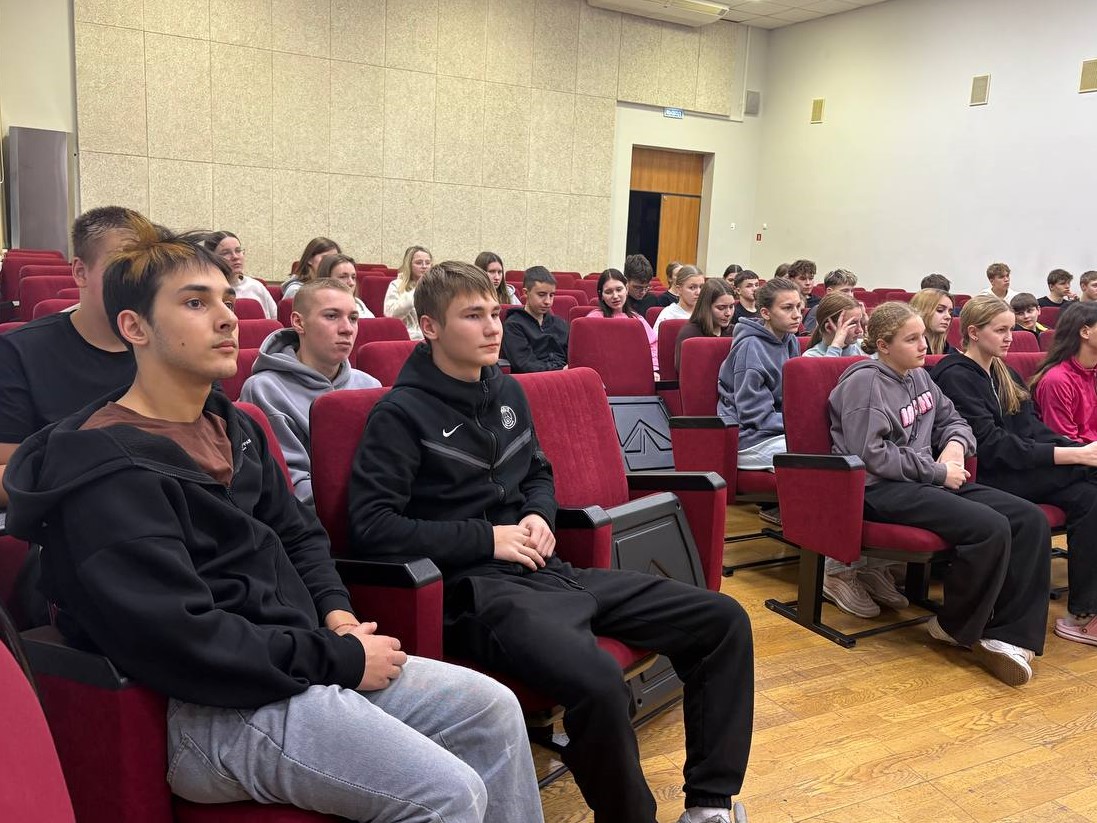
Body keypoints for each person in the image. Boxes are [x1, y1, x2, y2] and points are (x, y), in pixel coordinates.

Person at [2, 222, 543, 823]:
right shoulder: (108, 470)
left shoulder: (233, 426)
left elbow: (299, 535)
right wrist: (340, 659)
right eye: (195, 303)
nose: (226, 318)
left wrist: (337, 614)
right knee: (448, 792)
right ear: (135, 327)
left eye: (226, 300)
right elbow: (183, 640)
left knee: (492, 708)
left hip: (294, 664)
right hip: (214, 708)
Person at [347, 261, 754, 823]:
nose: (493, 327)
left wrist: (540, 513)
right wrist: (487, 539)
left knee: (723, 621)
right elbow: (372, 527)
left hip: (549, 571)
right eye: (473, 316)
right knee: (598, 681)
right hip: (477, 593)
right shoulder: (398, 414)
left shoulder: (507, 390)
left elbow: (537, 471)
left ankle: (708, 807)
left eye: (495, 313)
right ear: (431, 327)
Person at [828, 301, 1050, 685]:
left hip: (926, 478)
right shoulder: (864, 383)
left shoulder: (920, 376)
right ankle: (954, 624)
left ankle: (1010, 636)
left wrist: (955, 446)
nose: (923, 346)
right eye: (911, 339)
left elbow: (954, 420)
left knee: (1029, 519)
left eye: (922, 337)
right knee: (989, 526)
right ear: (883, 345)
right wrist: (936, 471)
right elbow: (870, 455)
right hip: (880, 488)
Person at [932, 295, 1097, 648]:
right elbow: (990, 446)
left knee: (1089, 496)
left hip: (1021, 469)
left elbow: (1033, 428)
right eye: (1001, 330)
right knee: (1087, 476)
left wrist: (1075, 450)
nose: (1010, 337)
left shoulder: (1003, 371)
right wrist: (1073, 455)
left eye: (1010, 329)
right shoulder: (955, 374)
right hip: (988, 475)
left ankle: (1085, 611)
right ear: (973, 332)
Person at [0, 205, 142, 508]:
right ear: (80, 272)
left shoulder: (172, 345)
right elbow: (9, 473)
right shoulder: (18, 353)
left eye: (147, 267)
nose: (137, 279)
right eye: (122, 265)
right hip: (73, 517)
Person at [240, 278, 381, 507]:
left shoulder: (370, 385)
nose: (347, 328)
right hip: (320, 518)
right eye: (331, 316)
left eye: (353, 318)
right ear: (299, 322)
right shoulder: (264, 390)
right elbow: (291, 488)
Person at [717, 278, 801, 472]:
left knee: (828, 446)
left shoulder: (791, 340)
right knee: (811, 454)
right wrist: (800, 423)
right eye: (787, 308)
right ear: (765, 313)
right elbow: (753, 415)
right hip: (750, 438)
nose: (797, 315)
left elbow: (796, 396)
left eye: (798, 306)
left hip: (779, 431)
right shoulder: (750, 348)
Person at [1031, 301, 1097, 443]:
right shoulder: (1057, 380)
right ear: (1085, 332)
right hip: (1079, 453)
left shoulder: (1092, 369)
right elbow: (1064, 442)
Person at [589, 267, 659, 375]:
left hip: (634, 372)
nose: (615, 296)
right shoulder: (592, 320)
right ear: (601, 295)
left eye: (619, 289)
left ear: (626, 289)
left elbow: (652, 345)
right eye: (608, 292)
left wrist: (653, 369)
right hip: (602, 374)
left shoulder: (637, 319)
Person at [501, 266, 568, 373]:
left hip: (566, 376)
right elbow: (524, 364)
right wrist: (560, 370)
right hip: (534, 379)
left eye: (551, 295)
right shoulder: (513, 325)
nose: (548, 301)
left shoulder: (560, 324)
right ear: (525, 293)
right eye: (541, 295)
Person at [204, 231, 278, 319]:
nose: (235, 257)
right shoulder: (205, 291)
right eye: (226, 253)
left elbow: (274, 322)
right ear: (211, 258)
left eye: (238, 251)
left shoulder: (256, 287)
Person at [674, 278, 734, 372]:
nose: (728, 313)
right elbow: (685, 371)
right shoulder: (690, 333)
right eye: (721, 308)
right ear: (706, 307)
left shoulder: (734, 332)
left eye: (731, 306)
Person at [384, 245, 432, 341]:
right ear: (409, 265)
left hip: (433, 337)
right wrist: (416, 290)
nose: (424, 266)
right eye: (419, 263)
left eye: (427, 263)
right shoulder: (396, 285)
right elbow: (390, 315)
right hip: (408, 337)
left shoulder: (436, 286)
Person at [802, 292, 864, 358]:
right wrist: (836, 347)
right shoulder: (810, 357)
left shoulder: (864, 348)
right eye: (852, 324)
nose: (860, 330)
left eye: (860, 321)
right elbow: (829, 365)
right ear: (829, 327)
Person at [316, 253, 373, 317]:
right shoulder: (318, 310)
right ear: (326, 280)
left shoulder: (359, 303)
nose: (351, 283)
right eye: (343, 277)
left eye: (353, 277)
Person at [803, 268, 858, 333]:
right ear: (830, 292)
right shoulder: (818, 311)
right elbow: (809, 337)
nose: (851, 295)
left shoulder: (852, 310)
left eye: (852, 291)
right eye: (845, 291)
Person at [654, 265, 705, 331]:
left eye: (701, 287)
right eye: (692, 287)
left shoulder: (707, 313)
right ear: (679, 289)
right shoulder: (668, 315)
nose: (698, 292)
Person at [910, 288, 956, 355]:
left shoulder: (950, 350)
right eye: (940, 310)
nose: (948, 317)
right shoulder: (908, 351)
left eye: (950, 313)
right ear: (921, 311)